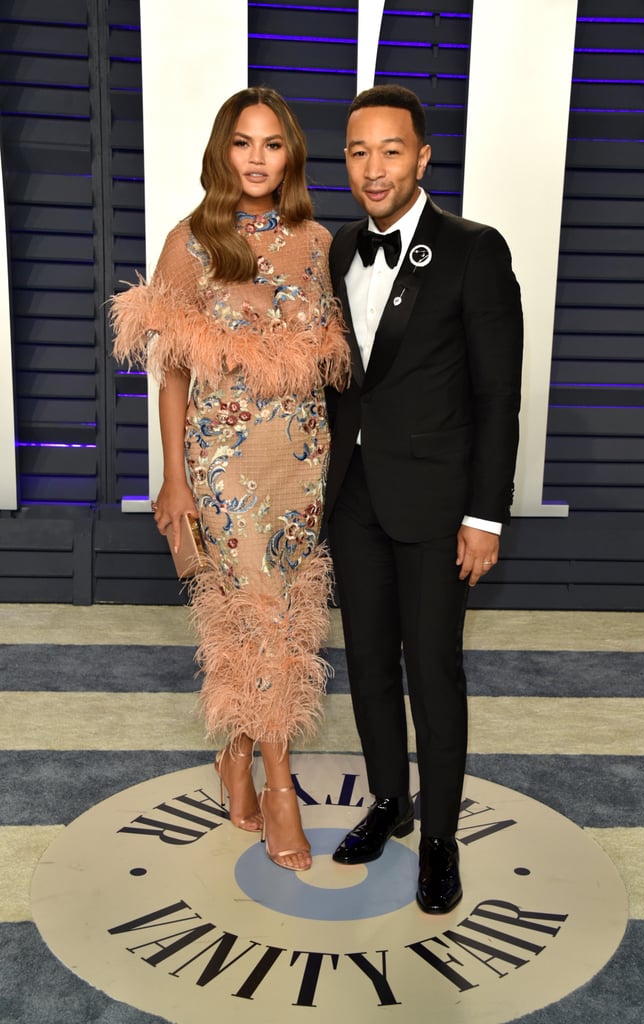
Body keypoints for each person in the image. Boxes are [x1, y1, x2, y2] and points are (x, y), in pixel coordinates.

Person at [111, 87, 349, 872]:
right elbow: (171, 374)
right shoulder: (191, 241)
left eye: (271, 144)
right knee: (258, 615)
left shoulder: (317, 242)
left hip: (302, 458)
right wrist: (174, 477)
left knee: (280, 611)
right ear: (222, 151)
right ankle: (279, 782)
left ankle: (234, 753)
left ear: (290, 155)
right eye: (242, 142)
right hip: (223, 461)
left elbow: (340, 359)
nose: (256, 158)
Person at [324, 85, 523, 912]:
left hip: (439, 506)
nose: (373, 169)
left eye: (390, 150)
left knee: (431, 672)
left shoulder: (473, 250)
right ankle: (387, 802)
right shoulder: (336, 250)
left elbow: (496, 397)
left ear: (423, 157)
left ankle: (438, 837)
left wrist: (484, 517)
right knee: (367, 664)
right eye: (358, 152)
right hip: (355, 498)